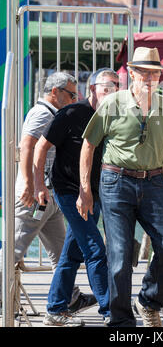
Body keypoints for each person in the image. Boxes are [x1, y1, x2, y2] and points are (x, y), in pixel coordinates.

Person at [79, 47, 163, 328]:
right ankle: (121, 322)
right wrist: (85, 189)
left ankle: (149, 301)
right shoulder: (112, 103)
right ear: (131, 72)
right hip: (115, 182)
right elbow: (89, 145)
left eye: (154, 72)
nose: (149, 77)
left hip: (155, 183)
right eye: (143, 71)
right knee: (120, 255)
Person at [33, 68, 119, 327]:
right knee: (95, 248)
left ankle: (55, 309)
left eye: (116, 88)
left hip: (95, 192)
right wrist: (37, 184)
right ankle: (109, 310)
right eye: (106, 88)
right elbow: (39, 146)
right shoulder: (71, 113)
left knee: (72, 254)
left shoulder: (112, 116)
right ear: (93, 89)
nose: (111, 93)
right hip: (70, 191)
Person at [0, 72, 87, 312]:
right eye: (71, 94)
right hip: (36, 197)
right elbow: (27, 146)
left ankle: (69, 296)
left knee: (60, 251)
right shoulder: (41, 113)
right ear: (54, 92)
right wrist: (30, 184)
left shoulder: (53, 114)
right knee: (14, 248)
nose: (73, 99)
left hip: (48, 198)